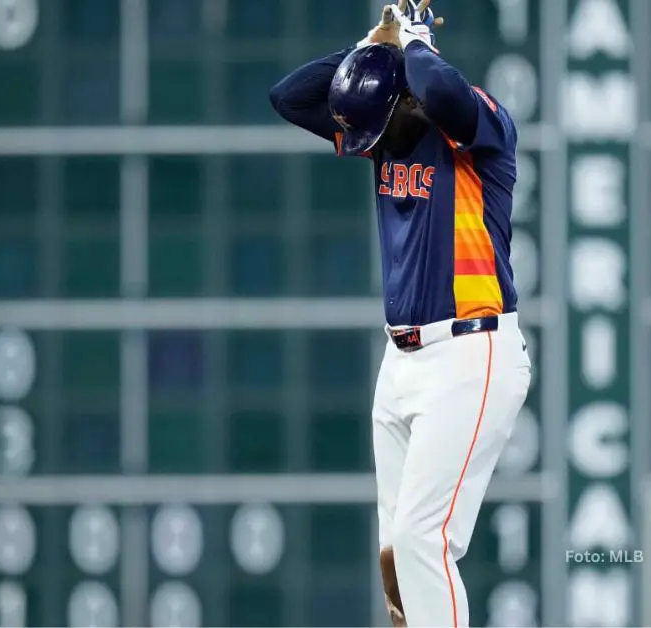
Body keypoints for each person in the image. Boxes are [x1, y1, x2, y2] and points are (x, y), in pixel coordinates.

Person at [270, 2, 531, 626]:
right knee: (395, 554)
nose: (367, 141)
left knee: (421, 541)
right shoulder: (384, 129)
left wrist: (414, 42)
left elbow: (440, 87)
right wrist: (373, 45)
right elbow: (290, 96)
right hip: (403, 362)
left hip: (473, 352)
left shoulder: (477, 129)